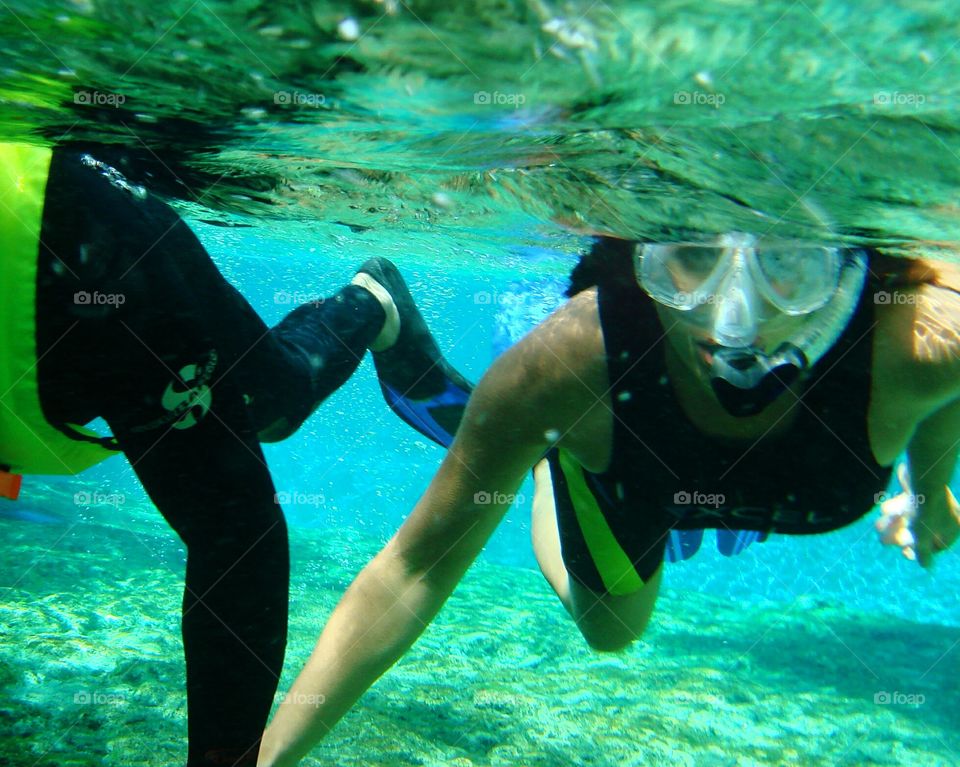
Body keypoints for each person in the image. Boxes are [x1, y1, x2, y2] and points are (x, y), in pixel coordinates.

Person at [257, 232, 960, 766]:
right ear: (641, 257)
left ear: (845, 264)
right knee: (610, 632)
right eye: (691, 255)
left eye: (784, 260)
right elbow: (413, 568)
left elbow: (944, 392)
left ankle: (545, 451)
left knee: (627, 607)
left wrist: (931, 493)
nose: (735, 316)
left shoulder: (923, 341)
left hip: (680, 465)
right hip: (625, 463)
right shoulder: (568, 364)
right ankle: (549, 464)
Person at [0, 142, 472, 766]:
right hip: (65, 234)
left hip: (75, 242)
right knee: (261, 408)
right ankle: (365, 303)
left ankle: (366, 302)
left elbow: (242, 543)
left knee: (253, 458)